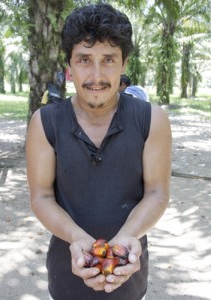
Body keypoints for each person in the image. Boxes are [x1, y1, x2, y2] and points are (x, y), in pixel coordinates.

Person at [26, 3, 171, 300]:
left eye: (108, 59)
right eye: (83, 60)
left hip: (129, 272)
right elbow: (41, 197)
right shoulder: (44, 123)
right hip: (65, 272)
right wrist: (77, 237)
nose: (96, 75)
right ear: (69, 66)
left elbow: (156, 192)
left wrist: (129, 236)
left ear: (124, 63)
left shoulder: (151, 120)